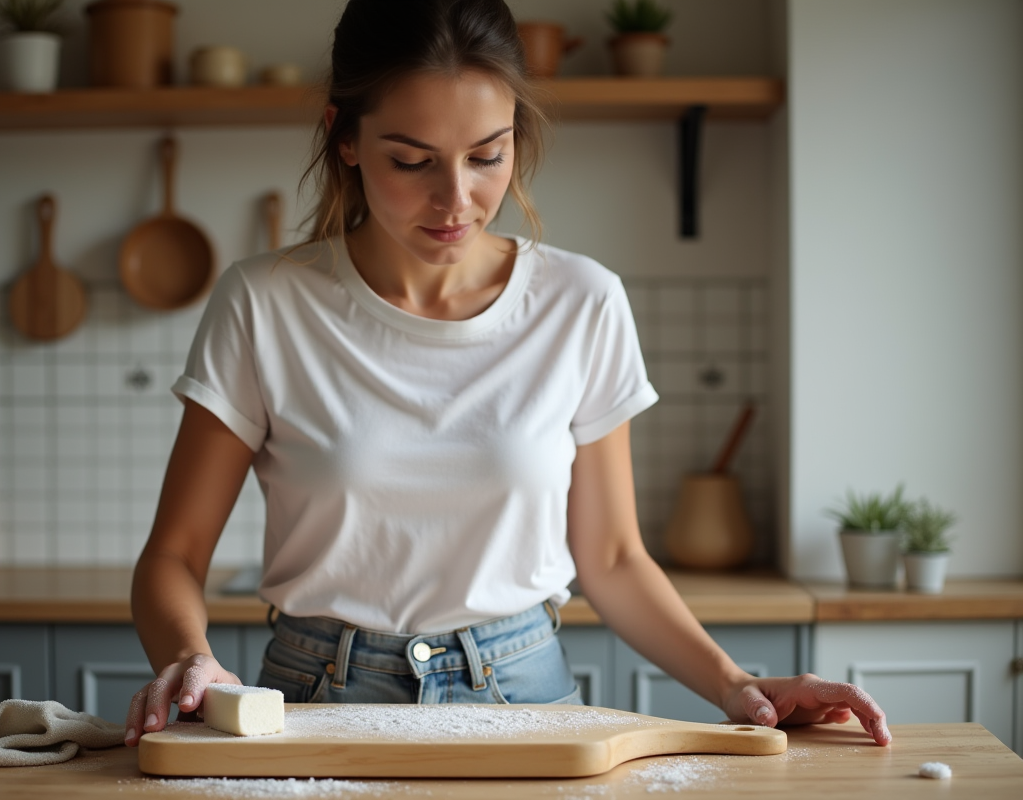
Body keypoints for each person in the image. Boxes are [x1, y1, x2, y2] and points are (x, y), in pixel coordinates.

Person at [124, 0, 891, 749]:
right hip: (317, 696)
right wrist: (191, 657)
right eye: (412, 160)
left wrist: (737, 686)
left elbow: (615, 559)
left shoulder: (582, 301)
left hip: (524, 694)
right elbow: (174, 556)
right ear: (345, 138)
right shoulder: (265, 302)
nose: (456, 199)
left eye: (487, 155)